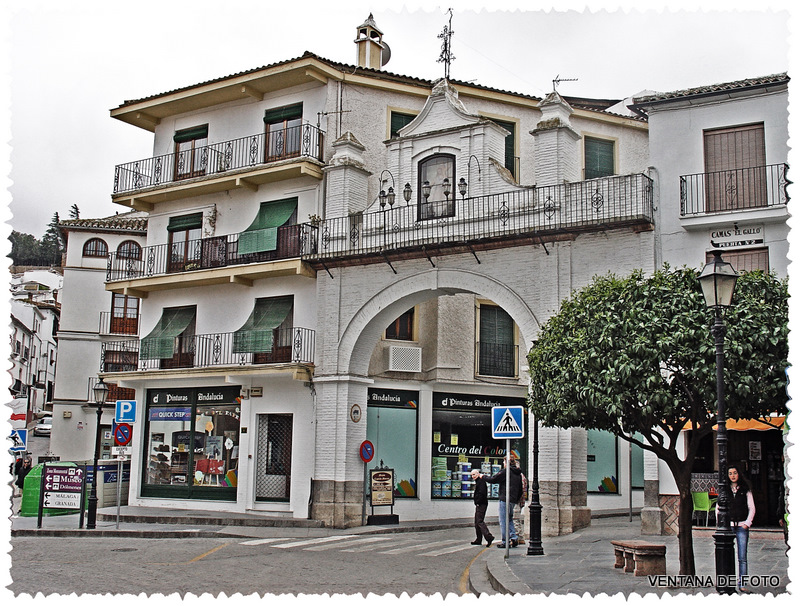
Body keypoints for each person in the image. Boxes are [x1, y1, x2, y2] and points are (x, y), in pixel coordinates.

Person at [721, 463, 756, 592]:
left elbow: (751, 508)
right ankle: (727, 582)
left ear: (739, 474)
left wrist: (747, 523)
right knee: (727, 556)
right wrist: (722, 523)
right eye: (730, 473)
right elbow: (719, 508)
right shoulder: (725, 490)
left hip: (742, 527)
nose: (732, 476)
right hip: (729, 527)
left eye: (734, 473)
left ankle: (742, 584)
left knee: (742, 556)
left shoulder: (745, 490)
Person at [487, 453, 523, 548]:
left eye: (504, 461)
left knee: (503, 520)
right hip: (513, 500)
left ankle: (505, 541)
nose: (503, 463)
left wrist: (483, 477)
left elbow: (494, 479)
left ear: (506, 462)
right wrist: (516, 499)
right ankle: (514, 537)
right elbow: (521, 489)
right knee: (509, 518)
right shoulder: (518, 473)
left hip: (505, 498)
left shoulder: (506, 471)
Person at [470, 469, 494, 546]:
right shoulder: (479, 482)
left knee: (479, 521)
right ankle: (479, 539)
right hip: (480, 503)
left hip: (481, 504)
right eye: (471, 475)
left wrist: (478, 501)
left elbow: (482, 493)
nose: (472, 476)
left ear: (478, 474)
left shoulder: (480, 482)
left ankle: (488, 537)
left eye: (474, 474)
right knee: (477, 522)